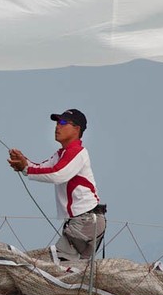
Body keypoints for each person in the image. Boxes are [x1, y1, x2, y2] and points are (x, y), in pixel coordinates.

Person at [8, 108, 106, 262]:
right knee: (76, 271)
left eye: (62, 122)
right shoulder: (62, 154)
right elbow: (41, 167)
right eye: (56, 122)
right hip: (84, 221)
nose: (57, 126)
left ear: (76, 129)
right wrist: (23, 163)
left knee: (55, 262)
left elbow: (57, 174)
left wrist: (26, 169)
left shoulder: (77, 152)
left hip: (86, 220)